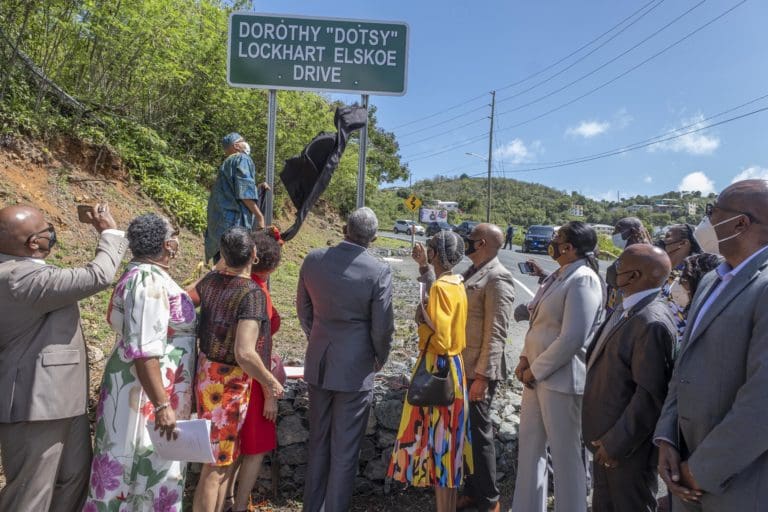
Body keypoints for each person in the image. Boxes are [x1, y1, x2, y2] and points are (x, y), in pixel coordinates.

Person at [0, 203, 126, 512]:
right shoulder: (19, 278)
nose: (51, 234)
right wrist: (109, 232)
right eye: (46, 230)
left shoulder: (23, 273)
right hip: (36, 404)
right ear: (33, 243)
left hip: (61, 399)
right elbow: (97, 275)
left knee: (73, 480)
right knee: (31, 493)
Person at [655, 179, 768, 511]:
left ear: (740, 224)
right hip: (684, 471)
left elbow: (761, 403)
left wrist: (699, 470)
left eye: (712, 212)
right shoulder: (710, 280)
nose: (706, 222)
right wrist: (667, 438)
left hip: (738, 485)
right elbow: (684, 365)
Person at [84, 214, 196, 511]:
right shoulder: (148, 282)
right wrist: (162, 405)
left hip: (141, 386)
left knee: (137, 463)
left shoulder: (141, 273)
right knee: (141, 462)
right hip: (144, 392)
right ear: (168, 245)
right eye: (176, 236)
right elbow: (146, 349)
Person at [298, 207, 394, 512]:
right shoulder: (378, 271)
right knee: (345, 449)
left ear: (343, 229)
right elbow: (383, 326)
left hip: (318, 361)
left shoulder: (314, 259)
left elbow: (303, 309)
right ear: (374, 238)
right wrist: (380, 356)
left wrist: (316, 337)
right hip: (355, 367)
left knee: (318, 442)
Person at [413, 223, 514, 512]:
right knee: (464, 434)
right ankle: (472, 492)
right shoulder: (469, 273)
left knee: (479, 435)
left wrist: (483, 376)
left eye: (470, 239)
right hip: (461, 369)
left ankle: (490, 500)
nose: (465, 243)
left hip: (476, 371)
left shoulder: (498, 277)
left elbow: (496, 332)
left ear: (481, 243)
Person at [511, 221, 604, 512]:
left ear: (569, 247)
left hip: (561, 380)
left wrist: (535, 369)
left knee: (566, 458)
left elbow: (572, 337)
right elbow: (539, 325)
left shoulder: (584, 279)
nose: (552, 241)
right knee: (530, 449)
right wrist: (525, 358)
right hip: (537, 377)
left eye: (557, 238)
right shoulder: (560, 276)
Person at [191, 227, 285, 512]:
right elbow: (245, 352)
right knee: (216, 468)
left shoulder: (210, 282)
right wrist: (270, 382)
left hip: (206, 373)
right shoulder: (251, 293)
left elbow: (183, 298)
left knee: (222, 462)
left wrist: (217, 266)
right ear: (253, 255)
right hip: (229, 384)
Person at [582, 244, 677, 511]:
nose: (613, 268)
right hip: (605, 442)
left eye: (620, 264)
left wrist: (615, 444)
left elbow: (649, 396)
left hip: (624, 451)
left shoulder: (651, 322)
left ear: (634, 276)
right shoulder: (630, 308)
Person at [389, 230, 472, 512]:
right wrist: (424, 268)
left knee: (439, 444)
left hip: (438, 368)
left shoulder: (439, 289)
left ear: (435, 253)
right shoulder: (456, 282)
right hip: (455, 370)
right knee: (449, 448)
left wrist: (421, 324)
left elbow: (441, 340)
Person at [229, 227, 284, 512]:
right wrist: (270, 390)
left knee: (233, 446)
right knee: (255, 448)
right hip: (255, 376)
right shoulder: (258, 293)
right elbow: (259, 346)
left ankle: (226, 500)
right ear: (271, 264)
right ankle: (239, 506)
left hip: (232, 377)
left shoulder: (234, 284)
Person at [204, 132, 265, 263]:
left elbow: (233, 190)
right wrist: (260, 217)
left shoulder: (227, 164)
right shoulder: (242, 159)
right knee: (234, 269)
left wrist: (258, 188)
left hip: (219, 229)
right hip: (234, 227)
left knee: (221, 268)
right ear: (236, 145)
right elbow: (244, 193)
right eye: (244, 140)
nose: (246, 143)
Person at [659, 224, 703, 341]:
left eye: (667, 237)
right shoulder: (667, 273)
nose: (662, 241)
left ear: (683, 243)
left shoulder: (690, 277)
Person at [606, 217, 652, 314]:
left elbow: (612, 276)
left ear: (631, 232)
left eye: (617, 230)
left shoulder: (640, 254)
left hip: (625, 310)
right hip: (616, 306)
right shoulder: (630, 252)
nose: (614, 234)